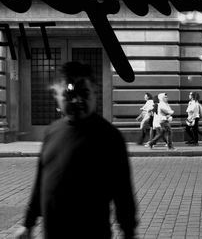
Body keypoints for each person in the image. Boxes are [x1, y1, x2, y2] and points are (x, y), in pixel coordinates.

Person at [14, 61, 137, 239]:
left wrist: (129, 233)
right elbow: (40, 183)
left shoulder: (109, 137)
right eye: (69, 94)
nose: (77, 100)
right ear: (56, 95)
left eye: (84, 93)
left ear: (95, 92)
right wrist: (28, 224)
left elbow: (123, 195)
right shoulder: (52, 132)